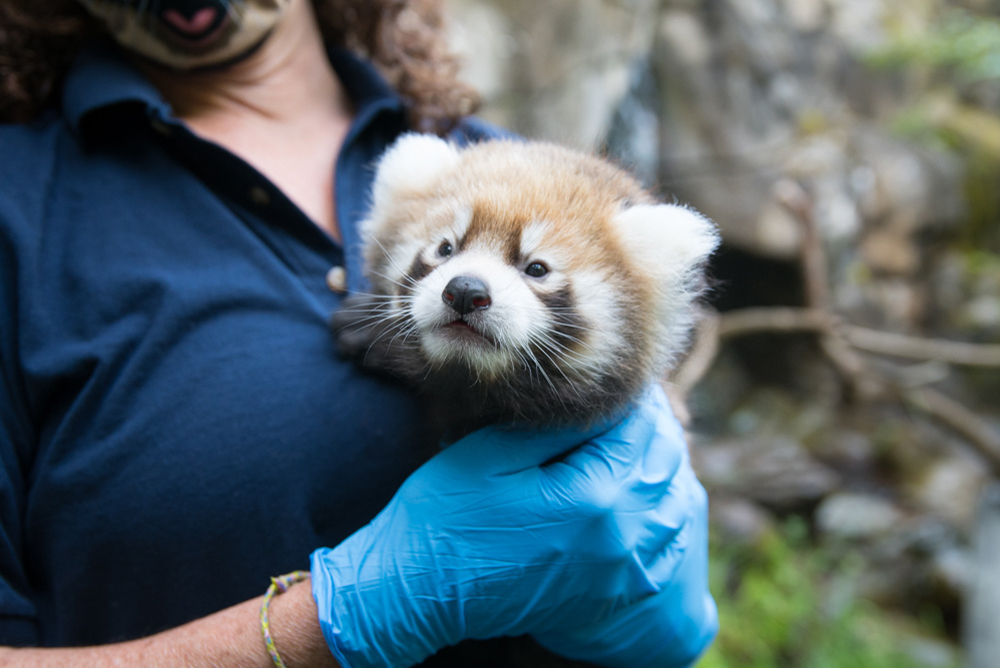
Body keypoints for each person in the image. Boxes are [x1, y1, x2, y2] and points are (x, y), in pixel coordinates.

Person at [0, 0, 718, 665]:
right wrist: (329, 623)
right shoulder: (20, 205)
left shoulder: (493, 156)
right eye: (445, 253)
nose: (468, 283)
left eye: (530, 268)